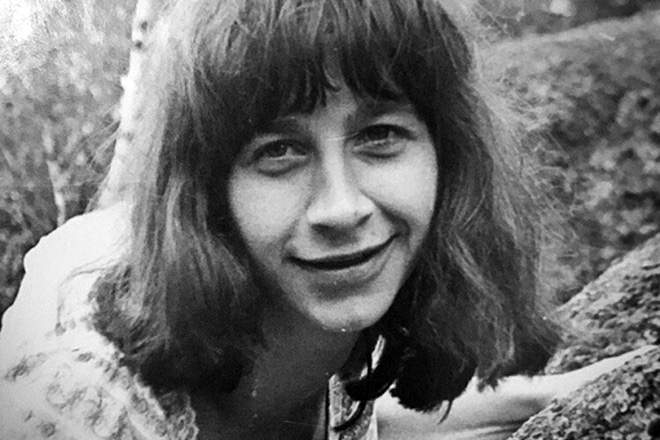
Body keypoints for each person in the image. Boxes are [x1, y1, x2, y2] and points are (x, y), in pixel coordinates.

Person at [0, 0, 647, 439]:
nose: (342, 208)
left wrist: (549, 395)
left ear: (446, 157)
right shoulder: (74, 411)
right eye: (278, 151)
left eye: (380, 136)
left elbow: (358, 412)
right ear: (207, 192)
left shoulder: (314, 327)